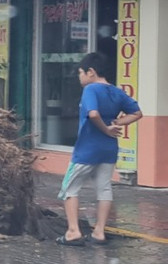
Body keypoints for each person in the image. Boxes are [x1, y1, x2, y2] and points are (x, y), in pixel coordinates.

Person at [56, 53, 142, 246]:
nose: (79, 77)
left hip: (86, 150)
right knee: (104, 189)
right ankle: (99, 232)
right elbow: (137, 113)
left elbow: (93, 114)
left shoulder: (90, 89)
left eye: (80, 73)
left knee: (69, 188)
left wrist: (106, 127)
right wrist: (116, 123)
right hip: (109, 150)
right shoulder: (116, 91)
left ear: (91, 72)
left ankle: (73, 231)